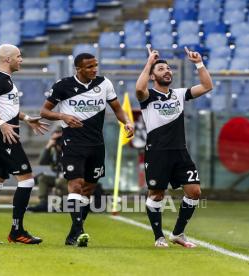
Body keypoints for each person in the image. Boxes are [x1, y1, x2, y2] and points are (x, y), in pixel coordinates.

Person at [40, 53, 134, 247]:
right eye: (89, 66)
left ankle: (74, 232)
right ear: (79, 69)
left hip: (96, 144)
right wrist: (63, 116)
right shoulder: (63, 86)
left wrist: (126, 122)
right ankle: (79, 231)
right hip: (73, 143)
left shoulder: (104, 84)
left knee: (88, 189)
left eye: (95, 66)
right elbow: (44, 112)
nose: (94, 69)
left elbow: (117, 108)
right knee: (76, 184)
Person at [0, 44, 49, 244]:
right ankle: (17, 231)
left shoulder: (5, 80)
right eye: (18, 56)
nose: (21, 59)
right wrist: (2, 124)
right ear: (7, 59)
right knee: (27, 179)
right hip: (3, 136)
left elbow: (5, 108)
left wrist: (27, 118)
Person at [135, 46, 213, 248]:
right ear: (153, 76)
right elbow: (138, 89)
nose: (167, 71)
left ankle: (178, 233)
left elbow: (206, 86)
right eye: (161, 69)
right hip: (157, 152)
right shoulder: (148, 96)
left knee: (194, 191)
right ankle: (159, 236)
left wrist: (198, 63)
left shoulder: (179, 94)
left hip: (180, 152)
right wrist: (149, 62)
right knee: (156, 194)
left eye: (168, 69)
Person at [28, 127, 68, 212]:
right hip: (56, 175)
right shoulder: (52, 149)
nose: (59, 141)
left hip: (69, 176)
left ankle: (64, 205)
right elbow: (42, 163)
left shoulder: (70, 146)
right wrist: (48, 147)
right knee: (42, 178)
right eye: (56, 137)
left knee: (60, 181)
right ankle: (43, 203)